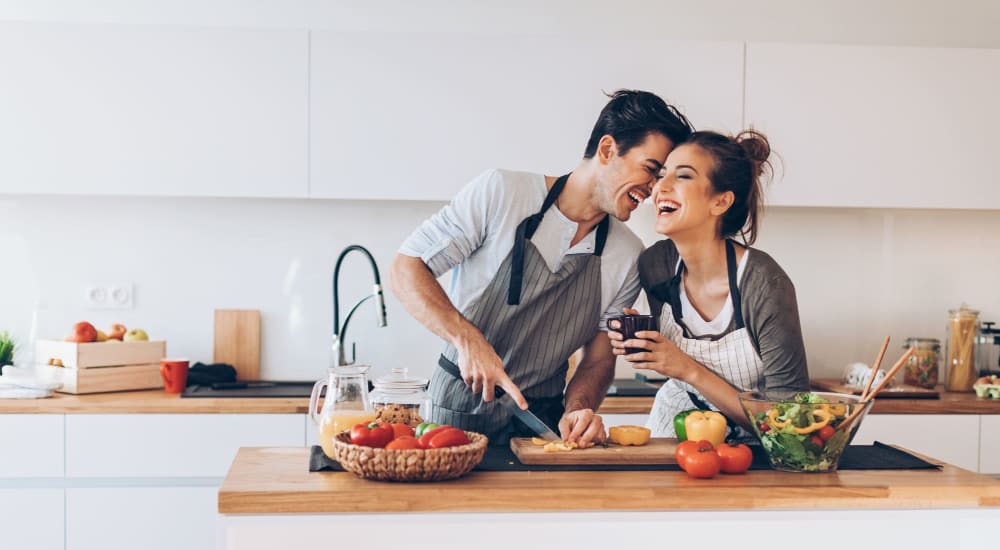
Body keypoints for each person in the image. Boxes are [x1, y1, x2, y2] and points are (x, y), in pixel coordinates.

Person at [390, 90, 694, 446]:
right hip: (457, 413)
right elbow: (406, 267)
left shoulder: (627, 254)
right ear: (608, 149)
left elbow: (597, 360)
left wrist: (578, 410)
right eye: (650, 170)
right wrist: (467, 339)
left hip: (541, 423)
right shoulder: (502, 193)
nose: (655, 188)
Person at [609, 129, 809, 440]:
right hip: (674, 428)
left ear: (721, 202)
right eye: (661, 175)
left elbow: (791, 422)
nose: (660, 186)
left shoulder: (764, 283)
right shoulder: (656, 264)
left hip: (754, 446)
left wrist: (685, 367)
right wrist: (642, 343)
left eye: (683, 176)